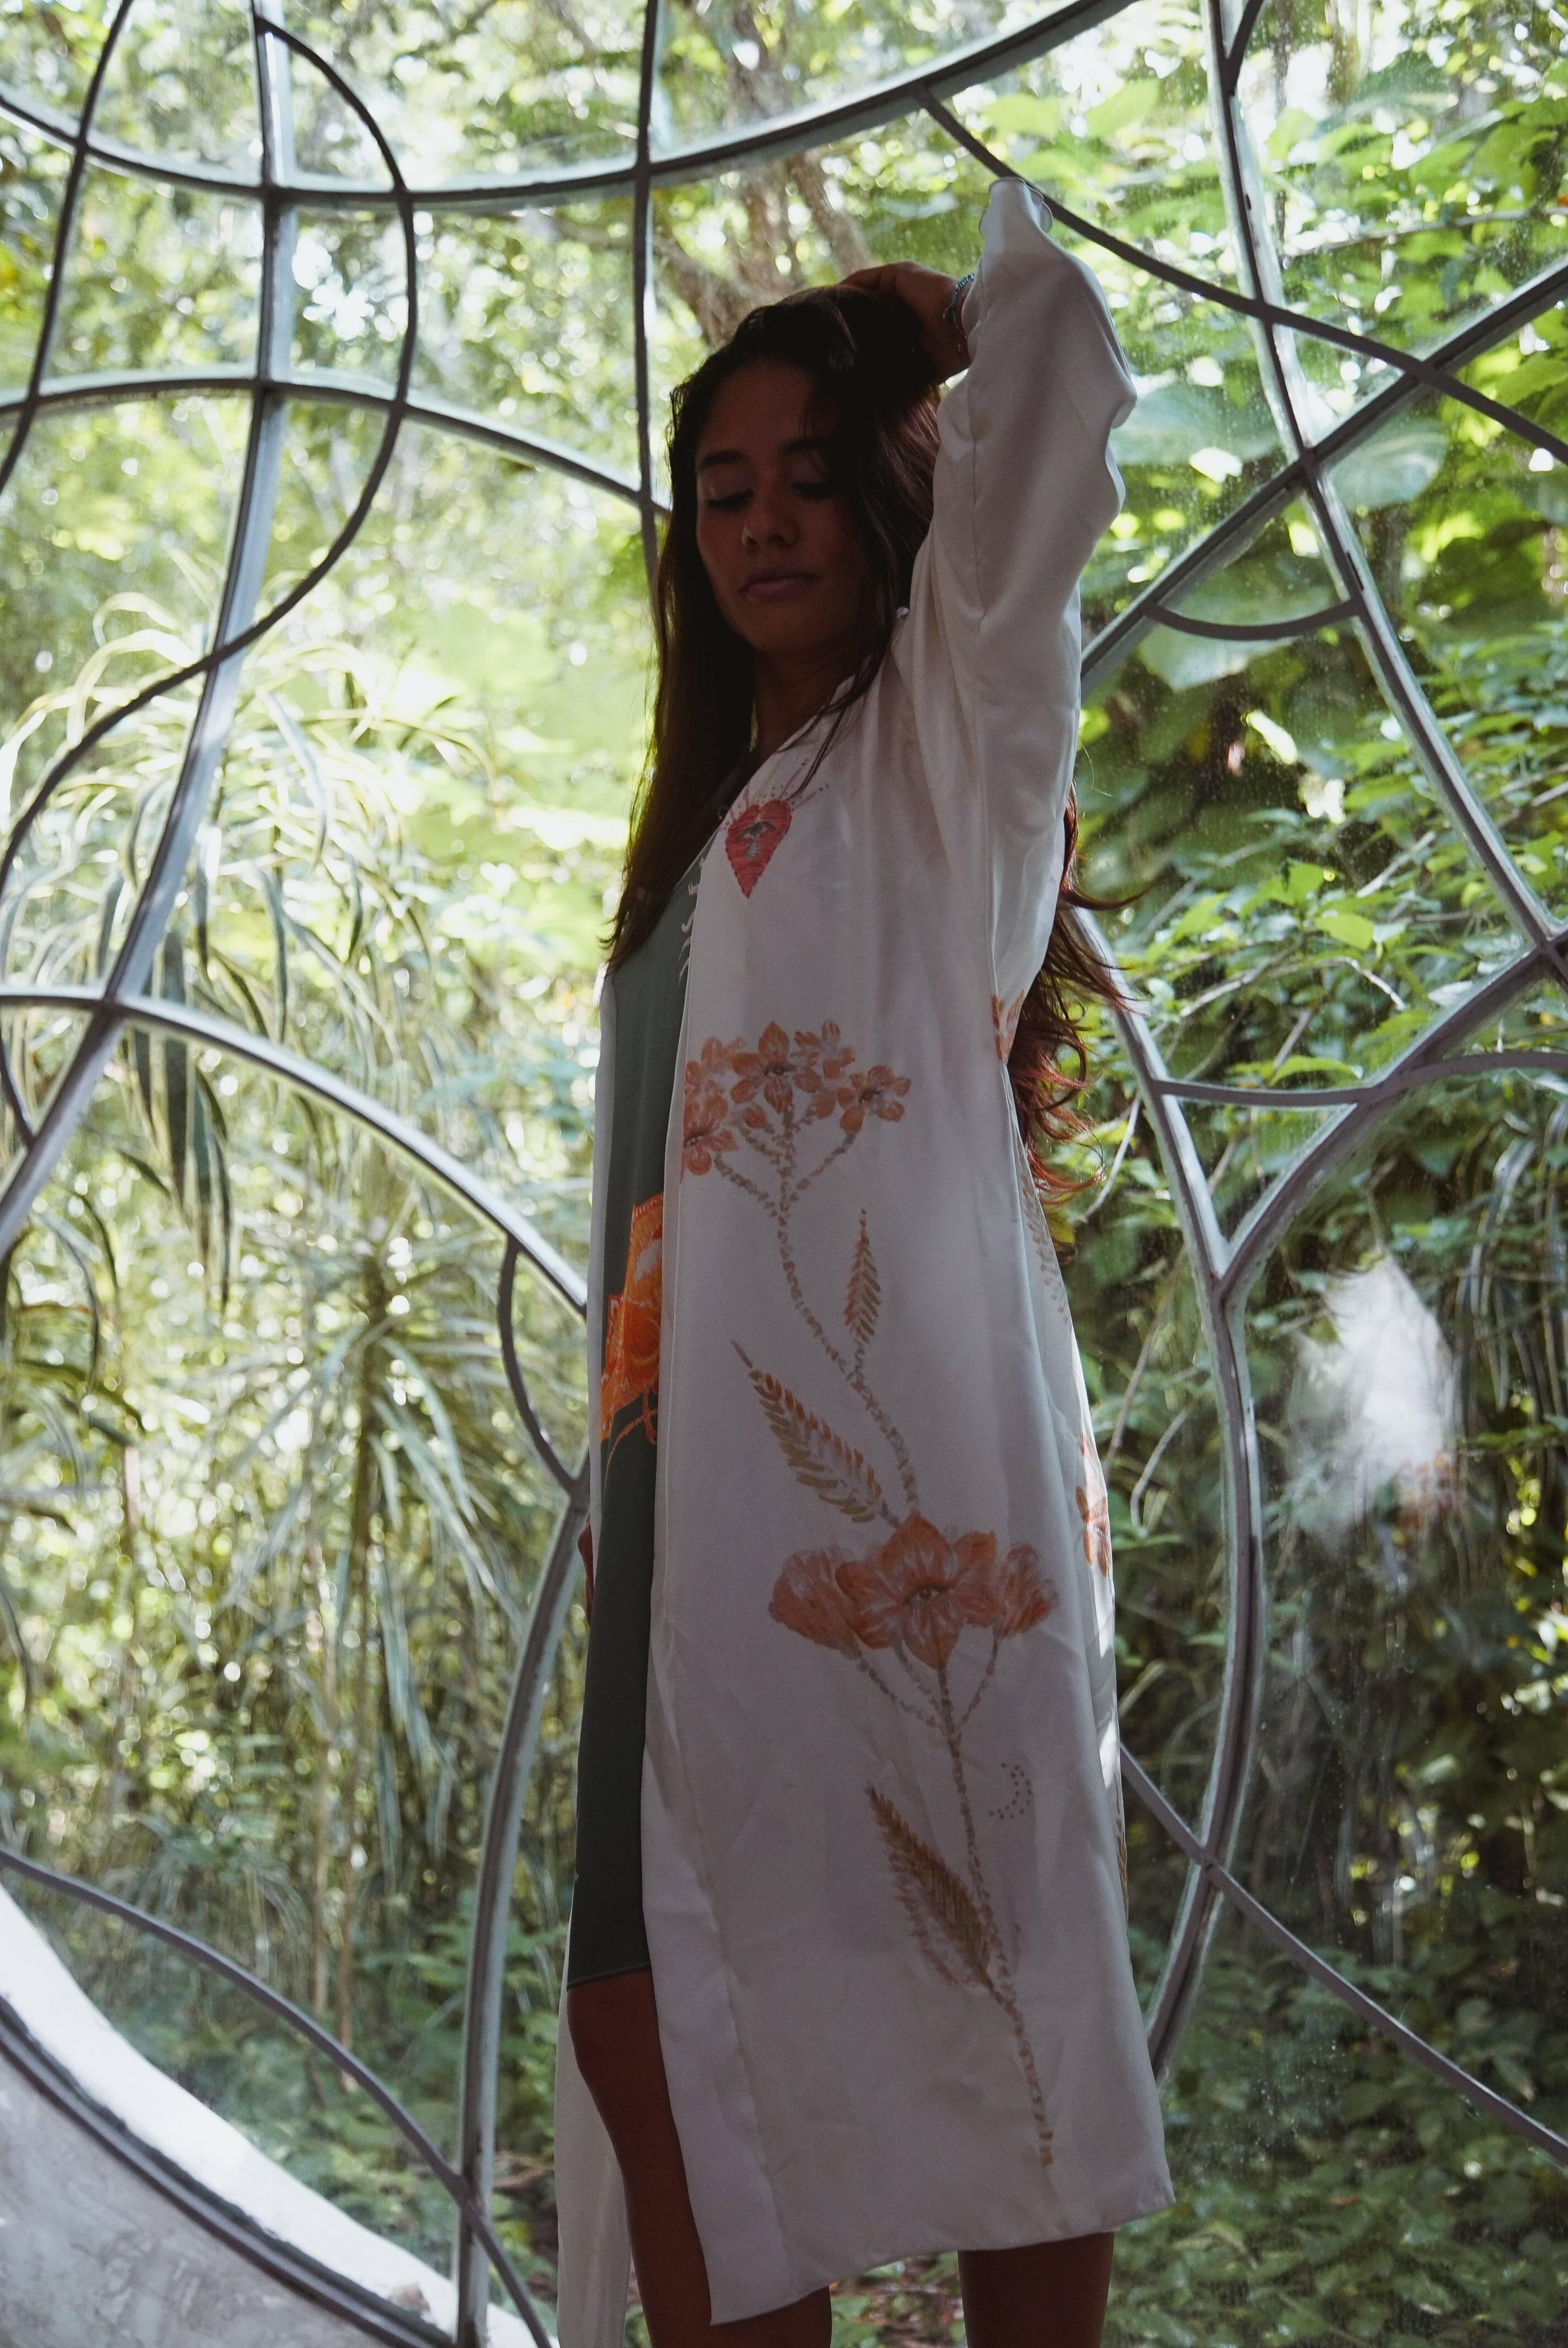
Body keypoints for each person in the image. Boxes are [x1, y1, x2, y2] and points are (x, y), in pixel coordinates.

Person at [552, 176, 1172, 2348]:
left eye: (814, 477)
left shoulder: (948, 741)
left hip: (925, 1530)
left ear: (900, 496)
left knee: (1003, 2006)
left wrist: (863, 327)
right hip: (702, 1552)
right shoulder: (709, 831)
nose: (763, 519)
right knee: (685, 2047)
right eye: (720, 488)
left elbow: (1051, 331)